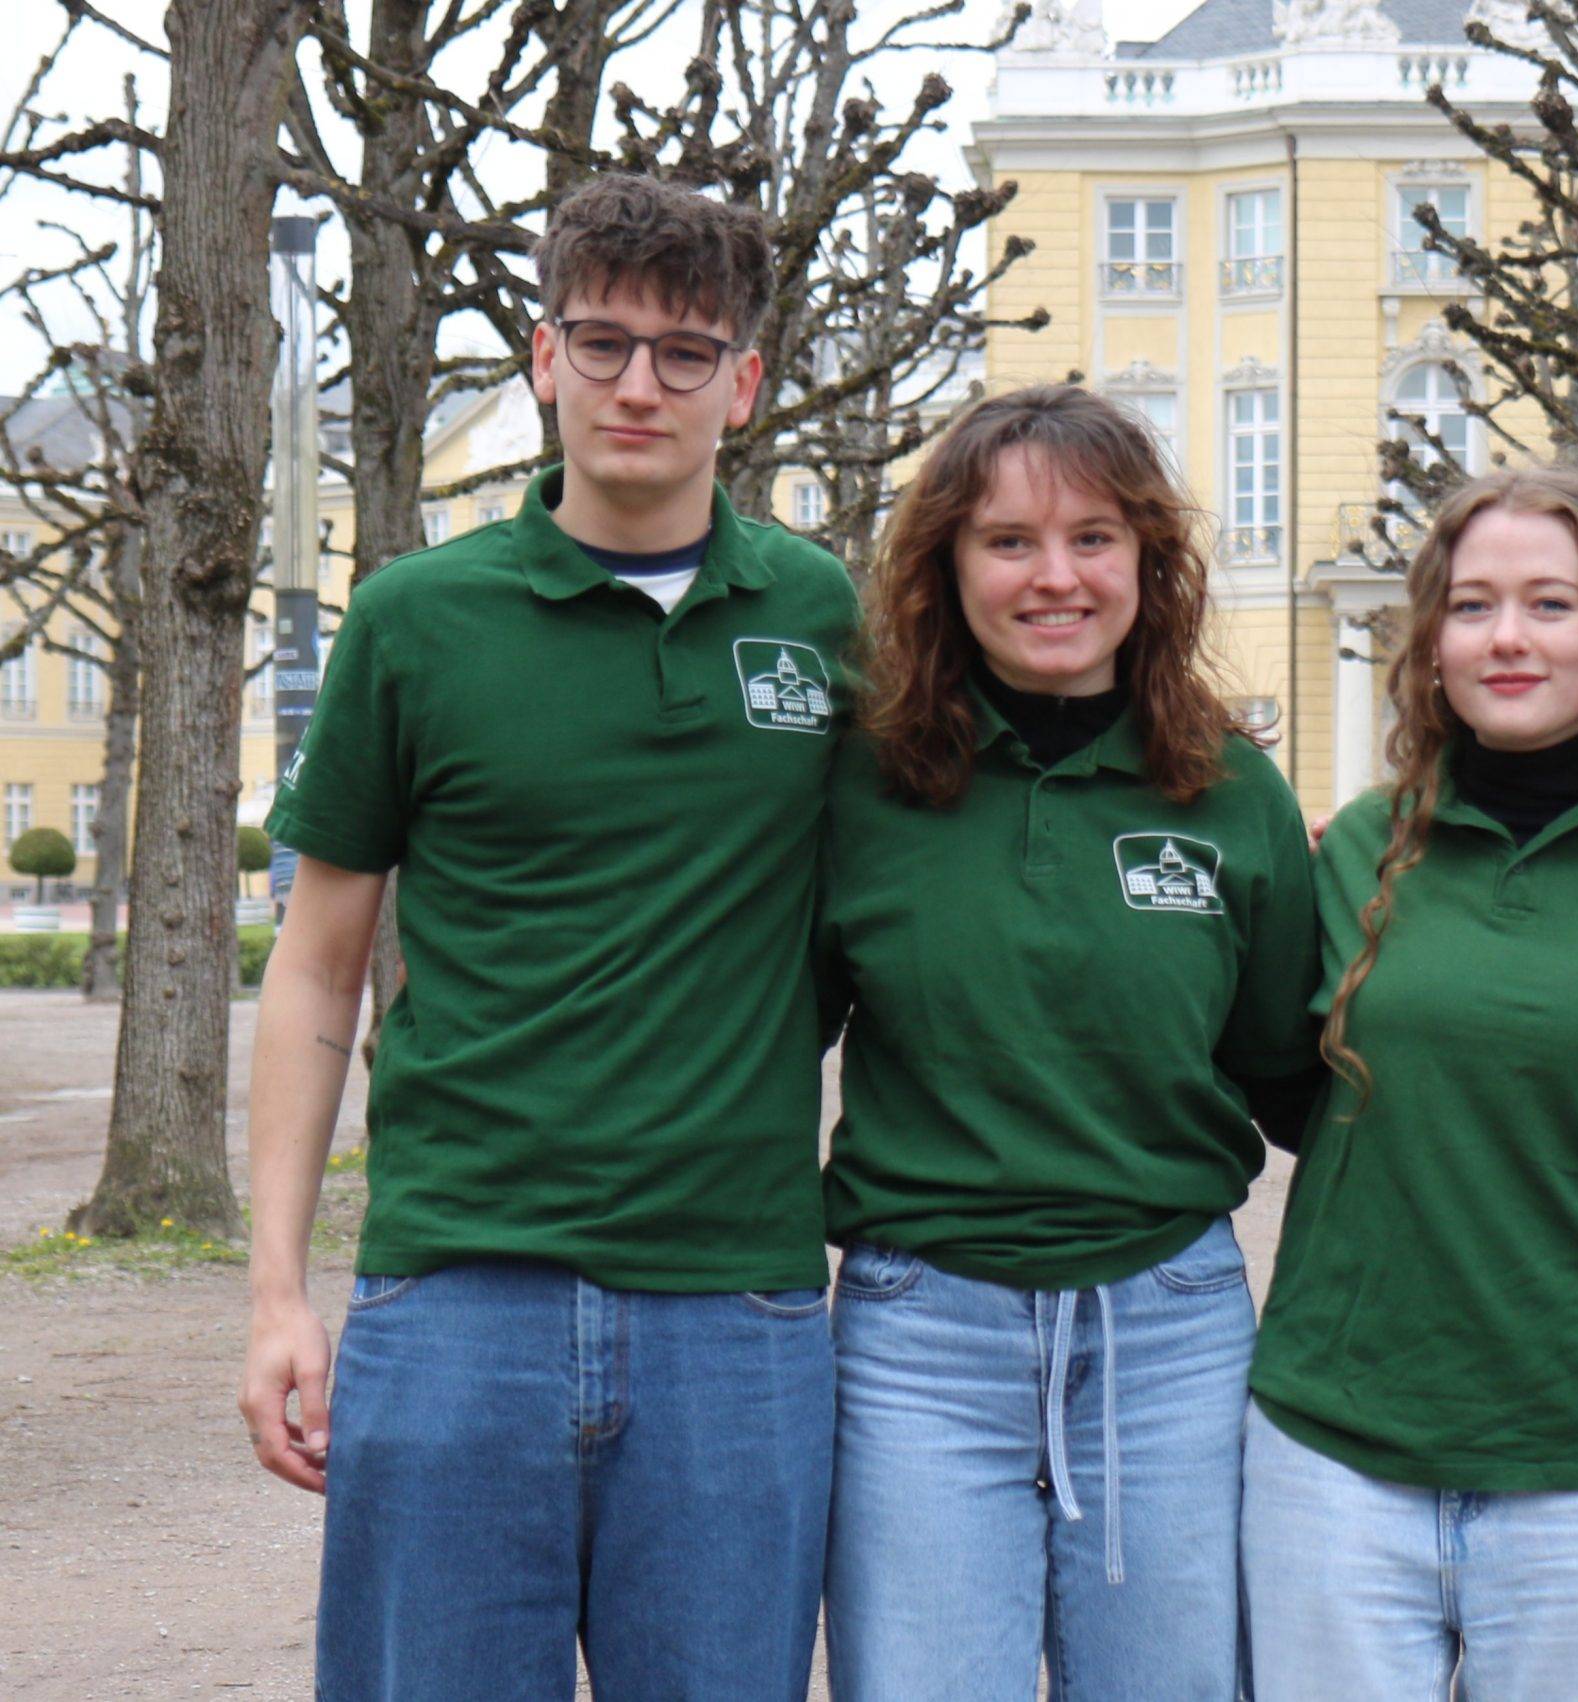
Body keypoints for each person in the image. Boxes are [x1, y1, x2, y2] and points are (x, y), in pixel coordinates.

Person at [239, 174, 855, 1700]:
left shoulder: (829, 620)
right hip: (456, 1298)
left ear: (747, 381)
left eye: (684, 352)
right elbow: (317, 963)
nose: (638, 384)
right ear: (540, 357)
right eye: (601, 342)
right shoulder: (414, 621)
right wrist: (274, 1289)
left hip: (737, 1307)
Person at [815, 384, 1321, 1700]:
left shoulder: (1230, 788)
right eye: (1010, 541)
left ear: (1150, 562)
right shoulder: (862, 782)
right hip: (920, 1335)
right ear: (946, 566)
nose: (1057, 576)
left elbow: (1299, 1079)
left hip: (1170, 1331)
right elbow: (759, 1029)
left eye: (1095, 538)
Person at [1241, 468, 1578, 1699]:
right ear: (1431, 643)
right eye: (1471, 608)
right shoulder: (1358, 848)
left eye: (1550, 604)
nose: (1507, 637)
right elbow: (1265, 1074)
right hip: (1334, 1449)